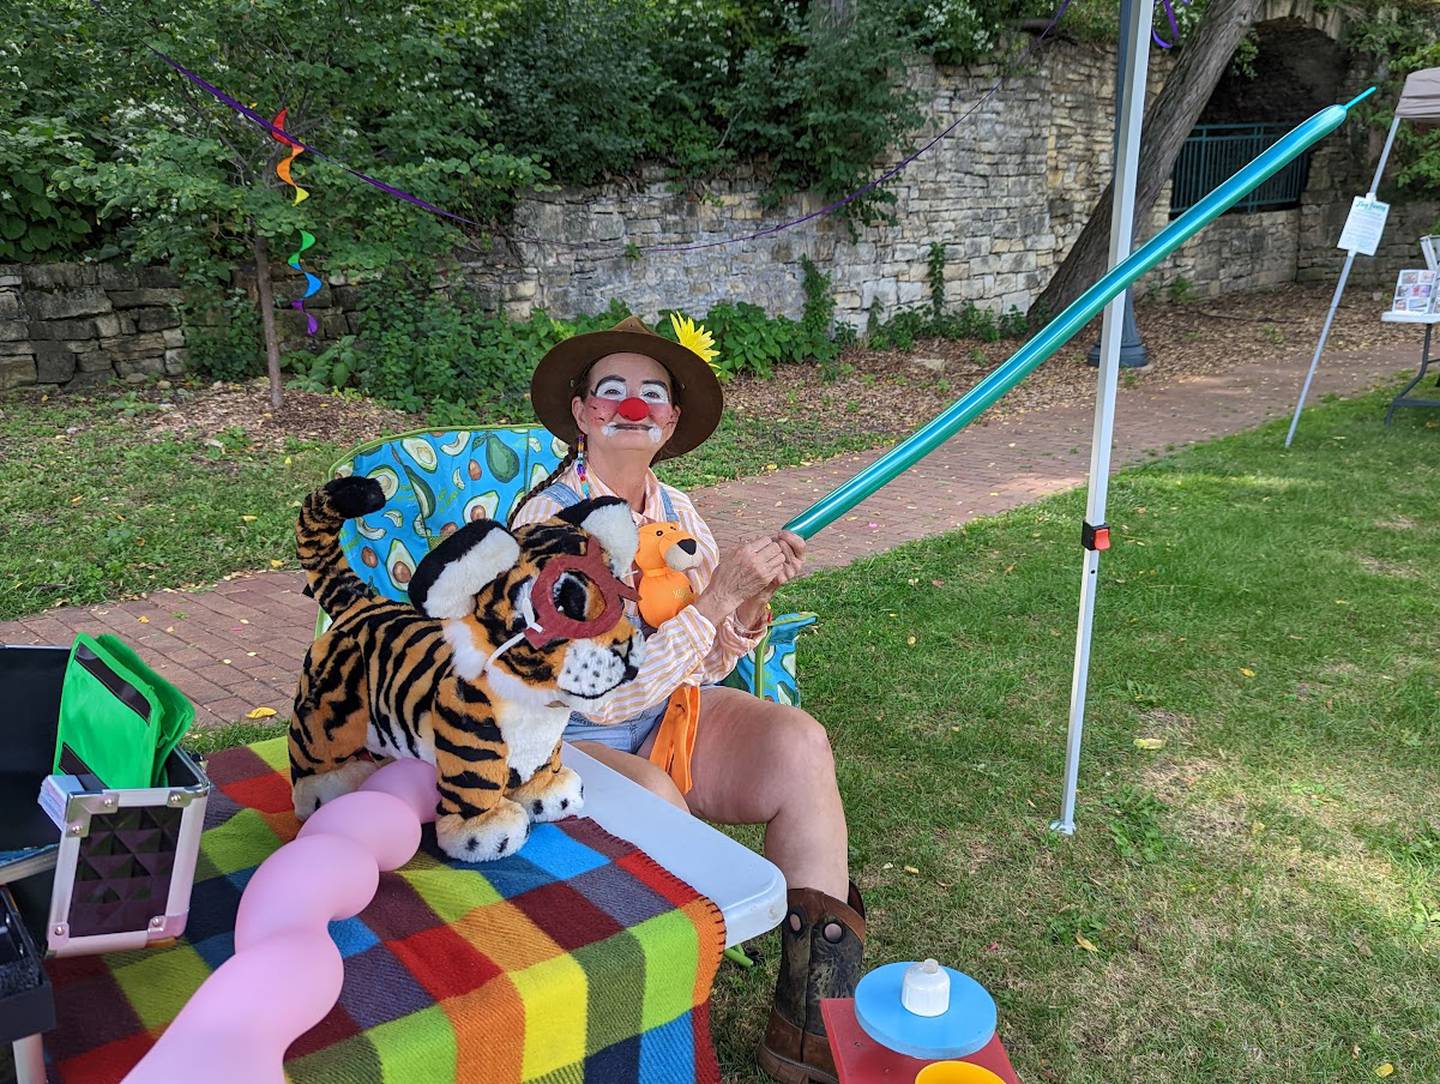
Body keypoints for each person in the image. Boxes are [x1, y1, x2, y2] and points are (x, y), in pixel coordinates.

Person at [511, 314, 864, 1084]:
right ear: (581, 413)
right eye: (612, 391)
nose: (632, 407)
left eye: (652, 394)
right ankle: (668, 1027)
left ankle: (809, 1020)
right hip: (565, 735)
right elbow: (590, 686)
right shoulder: (549, 523)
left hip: (664, 713)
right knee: (659, 801)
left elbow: (698, 670)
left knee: (798, 743)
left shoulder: (678, 514)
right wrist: (714, 607)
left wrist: (741, 611)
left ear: (670, 421)